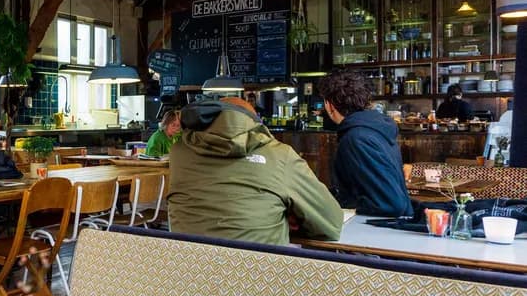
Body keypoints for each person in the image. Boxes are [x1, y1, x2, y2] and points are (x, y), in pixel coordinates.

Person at [168, 97, 343, 245]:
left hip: (186, 270)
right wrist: (283, 214)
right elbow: (332, 225)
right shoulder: (280, 155)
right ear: (253, 122)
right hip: (258, 272)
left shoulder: (178, 153)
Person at [318, 70, 413, 217]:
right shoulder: (374, 128)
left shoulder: (356, 138)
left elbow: (392, 204)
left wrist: (345, 207)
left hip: (375, 227)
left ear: (329, 105)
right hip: (392, 223)